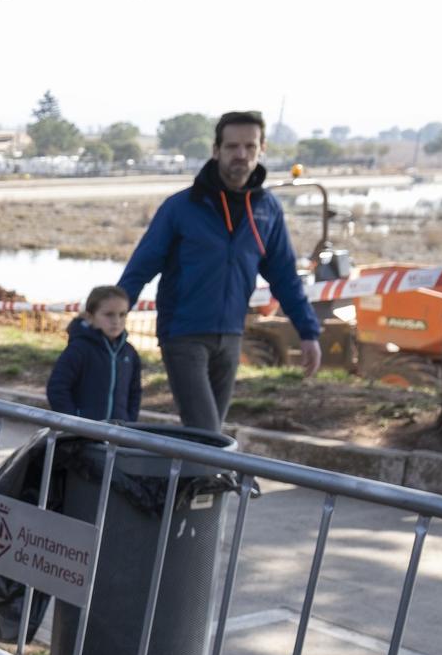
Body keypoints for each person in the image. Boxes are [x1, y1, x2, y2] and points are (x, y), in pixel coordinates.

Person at [117, 109, 321, 432]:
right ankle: (197, 481)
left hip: (231, 336)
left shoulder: (268, 210)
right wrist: (110, 316)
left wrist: (308, 332)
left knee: (206, 438)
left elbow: (284, 275)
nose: (241, 155)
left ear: (261, 150)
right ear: (216, 150)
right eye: (232, 146)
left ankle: (185, 483)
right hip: (183, 334)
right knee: (207, 433)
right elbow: (141, 266)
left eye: (250, 147)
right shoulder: (181, 207)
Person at [48, 285, 142, 422]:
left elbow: (135, 392)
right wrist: (74, 422)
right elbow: (57, 388)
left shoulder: (130, 353)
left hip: (119, 434)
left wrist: (129, 421)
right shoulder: (79, 349)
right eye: (109, 314)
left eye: (122, 314)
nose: (116, 321)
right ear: (90, 316)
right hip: (83, 434)